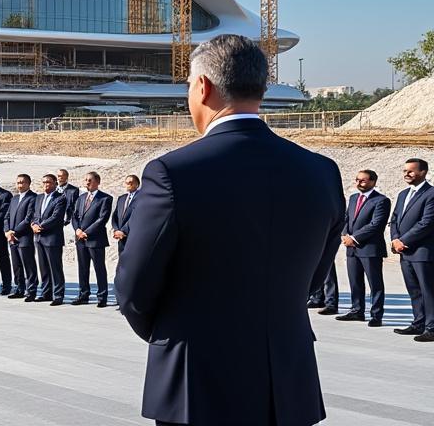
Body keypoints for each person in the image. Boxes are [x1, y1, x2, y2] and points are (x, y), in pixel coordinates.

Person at [116, 34, 344, 425]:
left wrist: (174, 332)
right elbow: (313, 276)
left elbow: (134, 286)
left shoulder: (171, 172)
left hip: (198, 380)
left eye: (189, 86)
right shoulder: (321, 171)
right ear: (261, 87)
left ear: (203, 87)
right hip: (286, 381)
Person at [337, 169, 390, 327]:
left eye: (363, 180)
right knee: (355, 281)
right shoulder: (354, 198)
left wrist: (354, 238)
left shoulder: (381, 200)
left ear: (373, 182)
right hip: (351, 249)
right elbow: (347, 218)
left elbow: (376, 224)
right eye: (357, 180)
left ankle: (376, 315)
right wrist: (344, 234)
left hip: (370, 248)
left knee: (375, 284)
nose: (359, 183)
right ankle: (357, 311)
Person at [390, 158, 434, 342]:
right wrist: (395, 239)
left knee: (428, 291)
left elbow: (427, 222)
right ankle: (418, 323)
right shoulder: (403, 194)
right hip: (405, 252)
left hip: (422, 251)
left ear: (423, 172)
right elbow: (394, 219)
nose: (406, 174)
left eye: (411, 171)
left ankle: (432, 328)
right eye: (405, 171)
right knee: (414, 290)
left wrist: (404, 240)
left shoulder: (431, 194)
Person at [71, 171, 112, 307]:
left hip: (95, 239)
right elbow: (74, 216)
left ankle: (102, 297)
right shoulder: (81, 198)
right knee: (83, 268)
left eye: (90, 180)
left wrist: (86, 232)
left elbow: (102, 219)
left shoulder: (105, 198)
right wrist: (77, 230)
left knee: (99, 268)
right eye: (86, 180)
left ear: (98, 182)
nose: (87, 182)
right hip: (80, 239)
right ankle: (83, 295)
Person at [31, 174, 67, 306]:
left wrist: (40, 226)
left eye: (49, 182)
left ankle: (58, 295)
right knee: (44, 268)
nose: (46, 184)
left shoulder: (60, 198)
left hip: (52, 238)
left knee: (55, 268)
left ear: (55, 184)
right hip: (39, 238)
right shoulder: (39, 197)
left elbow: (56, 217)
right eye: (44, 182)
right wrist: (33, 224)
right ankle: (46, 293)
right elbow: (35, 214)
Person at [4, 174, 38, 301]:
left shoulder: (33, 198)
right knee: (16, 265)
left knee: (29, 266)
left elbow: (28, 218)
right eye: (18, 182)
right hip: (12, 238)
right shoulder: (14, 198)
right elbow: (7, 216)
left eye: (22, 182)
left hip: (24, 237)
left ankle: (31, 291)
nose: (20, 185)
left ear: (28, 183)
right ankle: (19, 289)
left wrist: (14, 232)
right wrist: (7, 231)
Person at [111, 175, 140, 257]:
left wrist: (123, 231)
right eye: (126, 182)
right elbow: (115, 216)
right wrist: (116, 230)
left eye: (130, 182)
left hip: (133, 237)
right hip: (121, 239)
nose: (127, 184)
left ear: (137, 184)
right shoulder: (121, 198)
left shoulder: (142, 198)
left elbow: (136, 217)